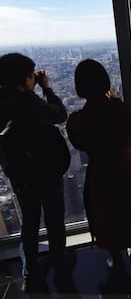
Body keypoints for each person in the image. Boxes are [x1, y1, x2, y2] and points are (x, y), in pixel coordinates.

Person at [66, 59, 131, 270]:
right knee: (130, 206)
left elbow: (78, 141)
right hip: (123, 167)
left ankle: (115, 252)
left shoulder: (79, 119)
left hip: (100, 171)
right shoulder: (119, 109)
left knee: (107, 211)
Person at [0, 53, 72, 292]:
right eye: (31, 76)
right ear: (25, 80)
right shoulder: (27, 101)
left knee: (29, 223)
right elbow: (59, 115)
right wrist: (46, 89)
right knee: (53, 220)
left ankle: (29, 271)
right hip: (46, 170)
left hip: (20, 174)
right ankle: (60, 264)